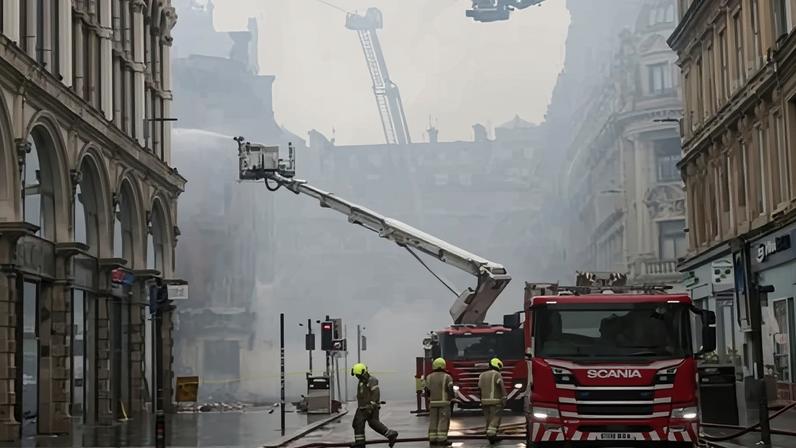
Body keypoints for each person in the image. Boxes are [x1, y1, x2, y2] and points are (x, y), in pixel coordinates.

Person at [351, 363, 399, 447]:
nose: (357, 377)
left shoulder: (371, 380)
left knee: (358, 422)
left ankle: (360, 444)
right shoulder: (362, 381)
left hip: (368, 407)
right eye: (356, 375)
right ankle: (390, 434)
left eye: (358, 375)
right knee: (373, 423)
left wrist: (372, 405)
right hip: (363, 407)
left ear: (363, 372)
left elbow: (376, 393)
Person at [425, 357, 455, 446]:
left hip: (433, 403)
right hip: (444, 403)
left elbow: (427, 390)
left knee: (433, 421)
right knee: (443, 420)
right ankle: (442, 439)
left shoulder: (429, 377)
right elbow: (450, 389)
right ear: (444, 366)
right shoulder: (447, 376)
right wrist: (452, 397)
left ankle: (432, 439)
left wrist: (430, 399)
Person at [478, 357, 506, 444]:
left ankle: (489, 434)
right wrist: (504, 398)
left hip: (484, 401)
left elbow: (479, 388)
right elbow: (501, 387)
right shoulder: (497, 374)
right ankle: (492, 435)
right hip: (496, 402)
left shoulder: (482, 375)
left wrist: (481, 400)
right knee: (495, 418)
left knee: (488, 419)